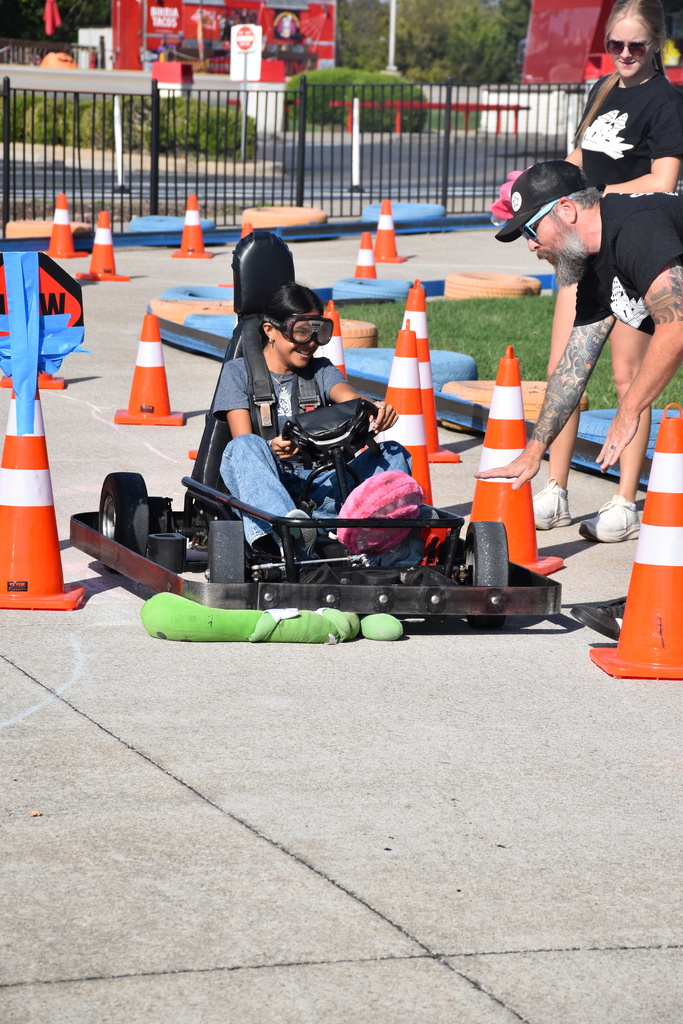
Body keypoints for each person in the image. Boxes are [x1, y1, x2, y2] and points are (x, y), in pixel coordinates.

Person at [477, 158, 683, 636]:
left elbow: (675, 327)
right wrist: (534, 450)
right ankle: (654, 610)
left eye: (531, 229)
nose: (531, 245)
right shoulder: (592, 264)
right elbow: (575, 361)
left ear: (566, 210)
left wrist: (628, 411)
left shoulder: (635, 226)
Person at [531, 0, 683, 542]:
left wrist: (592, 200)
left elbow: (663, 181)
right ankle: (554, 487)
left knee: (627, 376)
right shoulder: (600, 90)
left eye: (635, 46)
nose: (623, 54)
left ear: (656, 44)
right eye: (614, 44)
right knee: (565, 366)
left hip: (630, 242)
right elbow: (576, 162)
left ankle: (623, 500)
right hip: (581, 243)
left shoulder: (667, 100)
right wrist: (550, 205)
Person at [213, 282, 414, 558]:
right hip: (270, 488)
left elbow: (349, 398)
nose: (310, 343)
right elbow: (241, 439)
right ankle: (291, 538)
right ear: (270, 330)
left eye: (317, 333)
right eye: (301, 332)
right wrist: (272, 447)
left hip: (324, 487)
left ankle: (373, 537)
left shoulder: (321, 371)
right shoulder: (237, 373)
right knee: (245, 446)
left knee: (393, 452)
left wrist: (374, 408)